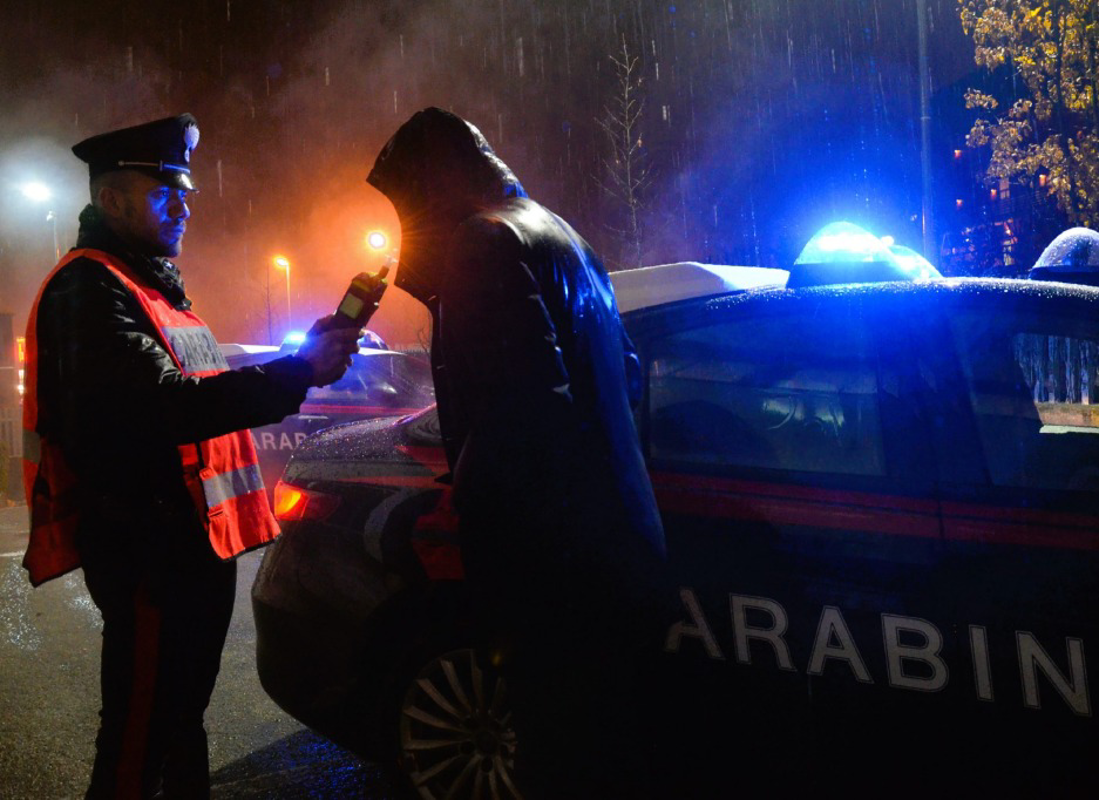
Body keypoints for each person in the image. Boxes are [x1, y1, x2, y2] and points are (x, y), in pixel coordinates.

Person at [21, 113, 374, 799]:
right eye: (164, 194)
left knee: (178, 724)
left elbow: (199, 394)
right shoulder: (89, 288)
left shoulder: (146, 284)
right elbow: (158, 406)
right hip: (148, 548)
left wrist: (301, 361)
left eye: (185, 194)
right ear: (113, 200)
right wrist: (298, 372)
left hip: (188, 548)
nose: (184, 208)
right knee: (139, 737)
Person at [367, 108, 672, 799]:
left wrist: (463, 508)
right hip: (621, 552)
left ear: (431, 185)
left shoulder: (484, 241)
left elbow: (523, 415)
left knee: (558, 759)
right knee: (613, 754)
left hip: (554, 575)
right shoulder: (562, 235)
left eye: (403, 201)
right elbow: (624, 378)